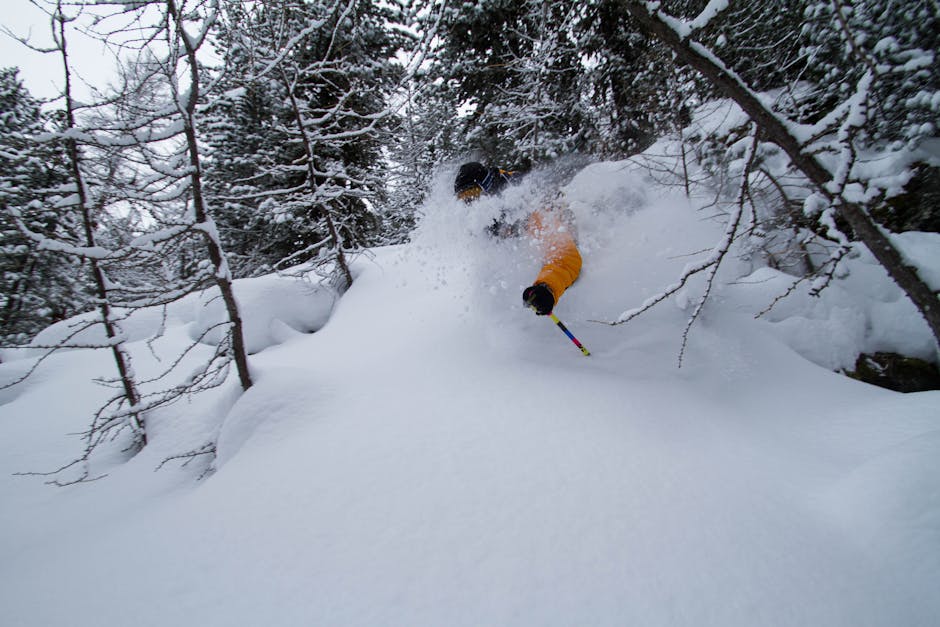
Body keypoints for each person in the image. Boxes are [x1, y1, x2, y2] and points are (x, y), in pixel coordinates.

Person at [453, 161, 582, 315]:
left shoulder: (526, 204)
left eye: (473, 193)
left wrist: (547, 288)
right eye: (464, 198)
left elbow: (565, 256)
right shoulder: (485, 218)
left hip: (566, 274)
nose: (470, 202)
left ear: (488, 187)